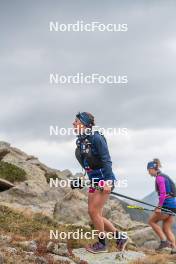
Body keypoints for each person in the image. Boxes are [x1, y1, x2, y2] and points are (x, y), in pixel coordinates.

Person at [73, 112, 128, 253]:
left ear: (85, 124)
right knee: (95, 214)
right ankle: (119, 236)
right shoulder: (80, 141)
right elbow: (88, 165)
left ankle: (102, 244)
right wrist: (83, 180)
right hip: (94, 182)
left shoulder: (96, 138)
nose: (73, 124)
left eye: (76, 121)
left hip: (104, 181)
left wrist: (109, 181)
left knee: (93, 212)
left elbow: (106, 160)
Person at [147, 158, 176, 253]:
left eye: (148, 170)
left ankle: (164, 242)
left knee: (151, 221)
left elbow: (163, 193)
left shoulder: (159, 178)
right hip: (173, 205)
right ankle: (174, 249)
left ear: (153, 168)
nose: (148, 173)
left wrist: (159, 207)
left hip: (167, 205)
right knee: (166, 228)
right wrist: (158, 206)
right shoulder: (164, 176)